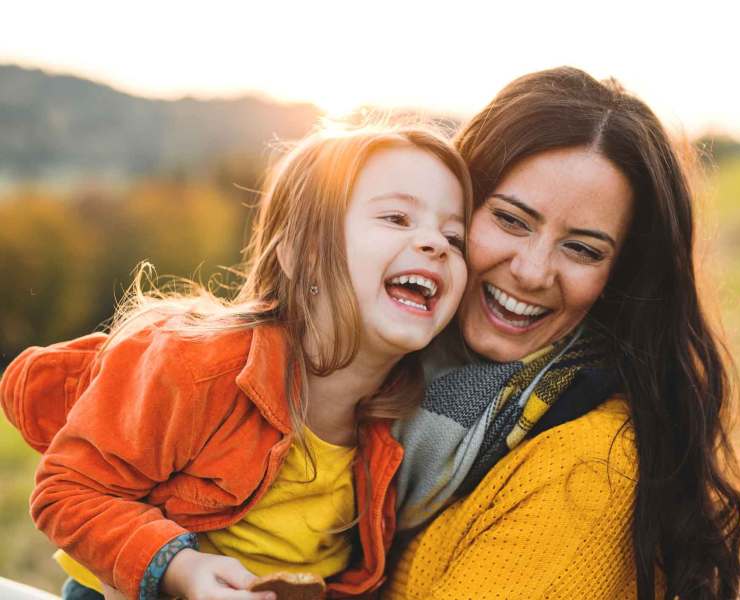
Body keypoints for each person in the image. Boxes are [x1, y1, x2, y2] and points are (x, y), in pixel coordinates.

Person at [0, 124, 472, 600]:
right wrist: (179, 569)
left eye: (455, 237)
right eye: (396, 217)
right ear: (301, 253)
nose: (436, 243)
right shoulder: (196, 365)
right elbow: (67, 491)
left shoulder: (407, 422)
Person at [384, 67, 740, 599]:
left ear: (620, 277)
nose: (534, 272)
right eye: (512, 220)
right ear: (454, 207)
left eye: (583, 249)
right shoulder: (375, 380)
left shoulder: (586, 473)